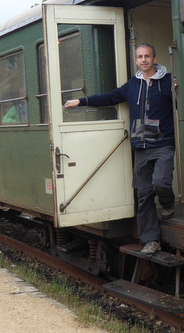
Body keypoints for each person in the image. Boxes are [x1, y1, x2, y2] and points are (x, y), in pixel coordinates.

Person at [65, 44, 175, 256]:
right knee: (144, 194)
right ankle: (151, 240)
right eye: (140, 57)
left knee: (161, 183)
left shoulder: (167, 82)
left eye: (147, 56)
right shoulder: (132, 85)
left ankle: (168, 204)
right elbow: (109, 97)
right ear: (136, 60)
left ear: (155, 58)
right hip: (140, 147)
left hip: (163, 144)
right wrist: (81, 101)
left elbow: (183, 103)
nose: (143, 60)